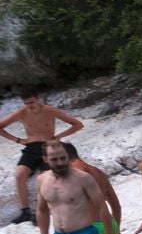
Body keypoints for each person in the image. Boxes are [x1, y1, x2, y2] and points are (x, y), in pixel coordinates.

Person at [0, 93, 85, 224]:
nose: (29, 106)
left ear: (37, 99)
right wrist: (17, 140)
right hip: (31, 147)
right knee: (19, 175)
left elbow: (77, 124)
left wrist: (59, 136)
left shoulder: (50, 111)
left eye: (31, 103)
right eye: (26, 103)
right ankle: (25, 212)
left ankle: (44, 210)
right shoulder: (21, 112)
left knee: (47, 176)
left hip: (49, 145)